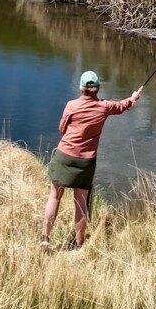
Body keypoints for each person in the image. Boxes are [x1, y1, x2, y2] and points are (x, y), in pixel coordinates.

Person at [41, 71, 143, 251]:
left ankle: (45, 238)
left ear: (81, 88)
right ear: (97, 88)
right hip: (86, 161)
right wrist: (134, 97)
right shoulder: (104, 107)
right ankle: (79, 245)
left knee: (54, 196)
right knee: (81, 202)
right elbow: (122, 105)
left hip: (64, 155)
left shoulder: (71, 105)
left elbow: (62, 128)